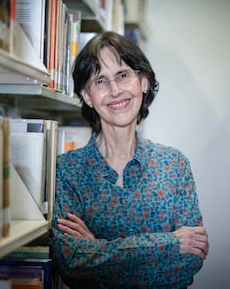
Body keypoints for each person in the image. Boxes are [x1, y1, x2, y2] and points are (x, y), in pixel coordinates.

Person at [51, 31, 209, 289]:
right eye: (100, 80)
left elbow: (189, 263)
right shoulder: (67, 170)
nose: (114, 90)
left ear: (143, 82)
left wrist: (98, 250)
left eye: (123, 75)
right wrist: (169, 243)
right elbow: (73, 264)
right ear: (88, 96)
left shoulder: (174, 165)